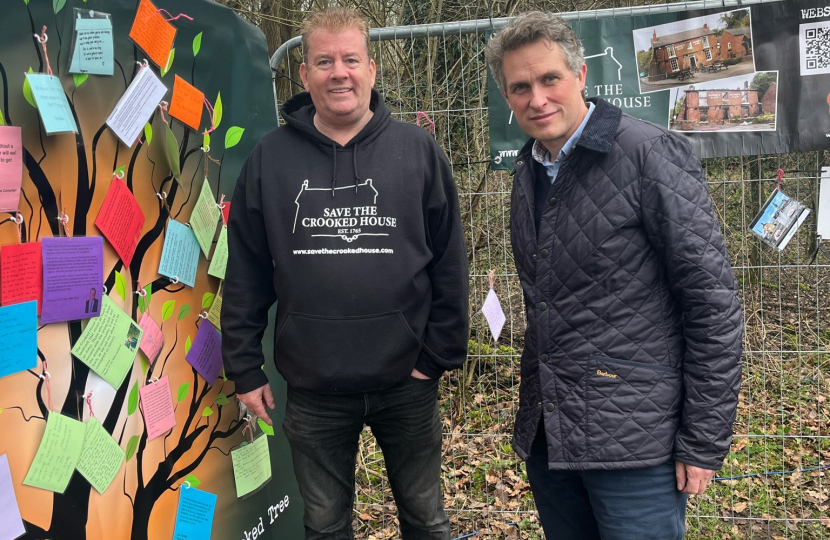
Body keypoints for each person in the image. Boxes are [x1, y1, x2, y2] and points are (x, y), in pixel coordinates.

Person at [485, 12, 742, 540]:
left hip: (635, 442)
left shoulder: (648, 153)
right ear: (507, 98)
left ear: (580, 77)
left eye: (549, 78)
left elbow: (712, 306)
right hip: (552, 433)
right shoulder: (529, 170)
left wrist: (703, 439)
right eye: (520, 86)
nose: (537, 98)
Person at [222, 7, 469, 540]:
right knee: (326, 525)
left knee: (426, 521)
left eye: (351, 59)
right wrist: (244, 366)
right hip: (313, 386)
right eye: (324, 61)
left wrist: (437, 356)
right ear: (305, 73)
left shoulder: (417, 152)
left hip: (408, 381)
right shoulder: (270, 160)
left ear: (371, 69)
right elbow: (244, 269)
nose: (340, 72)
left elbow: (450, 262)